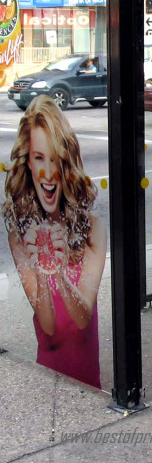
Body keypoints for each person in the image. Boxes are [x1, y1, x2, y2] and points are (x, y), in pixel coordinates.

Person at [2, 96, 106, 388]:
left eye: (54, 159)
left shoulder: (93, 229)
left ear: (65, 162)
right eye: (39, 158)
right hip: (46, 380)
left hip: (88, 383)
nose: (48, 173)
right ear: (28, 163)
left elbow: (82, 318)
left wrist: (58, 273)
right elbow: (48, 327)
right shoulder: (20, 236)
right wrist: (42, 268)